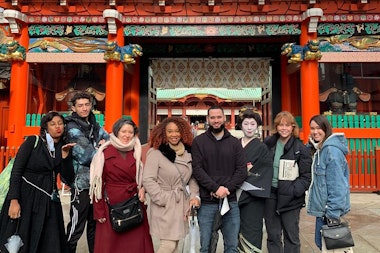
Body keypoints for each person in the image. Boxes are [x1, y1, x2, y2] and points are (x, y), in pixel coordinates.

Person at [0, 111, 75, 253]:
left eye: (60, 124)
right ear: (46, 127)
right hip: (26, 197)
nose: (57, 127)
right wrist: (14, 200)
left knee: (51, 241)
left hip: (49, 199)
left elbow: (67, 178)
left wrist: (65, 158)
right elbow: (17, 171)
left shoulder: (63, 147)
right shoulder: (32, 141)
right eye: (52, 124)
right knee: (23, 240)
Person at [89, 118, 154, 253]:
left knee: (136, 244)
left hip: (134, 202)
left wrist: (143, 188)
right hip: (111, 204)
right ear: (116, 132)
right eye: (123, 131)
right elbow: (97, 185)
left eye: (130, 132)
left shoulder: (137, 151)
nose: (127, 135)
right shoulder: (104, 153)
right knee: (110, 244)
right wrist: (98, 210)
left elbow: (144, 177)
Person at [191, 105, 247, 253]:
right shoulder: (199, 142)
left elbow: (241, 171)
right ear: (208, 119)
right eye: (212, 117)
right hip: (207, 203)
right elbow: (197, 169)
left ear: (224, 119)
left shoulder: (235, 143)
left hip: (230, 201)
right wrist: (215, 188)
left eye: (219, 117)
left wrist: (226, 189)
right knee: (206, 247)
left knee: (231, 246)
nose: (216, 120)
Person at [143, 117, 200, 253]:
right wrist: (163, 199)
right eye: (170, 131)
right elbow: (148, 179)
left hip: (181, 204)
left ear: (183, 132)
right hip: (164, 204)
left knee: (174, 245)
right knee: (168, 245)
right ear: (163, 133)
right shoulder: (156, 153)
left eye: (177, 131)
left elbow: (192, 178)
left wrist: (194, 196)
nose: (174, 135)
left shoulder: (188, 153)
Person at [65, 91, 109, 253]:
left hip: (96, 184)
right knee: (76, 225)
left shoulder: (94, 125)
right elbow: (86, 154)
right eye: (80, 105)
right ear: (74, 108)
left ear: (91, 106)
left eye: (87, 105)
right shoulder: (71, 127)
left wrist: (99, 147)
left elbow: (111, 142)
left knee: (94, 225)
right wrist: (100, 147)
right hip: (81, 184)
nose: (84, 108)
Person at [263, 111, 312, 253]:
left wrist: (293, 191)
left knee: (291, 236)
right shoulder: (269, 144)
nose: (284, 128)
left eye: (287, 125)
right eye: (280, 125)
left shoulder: (300, 148)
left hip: (291, 198)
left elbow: (306, 177)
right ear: (276, 127)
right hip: (271, 195)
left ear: (293, 127)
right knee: (273, 235)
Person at [306, 114, 351, 250]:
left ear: (326, 129)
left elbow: (337, 186)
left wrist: (333, 213)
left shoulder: (331, 151)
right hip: (323, 210)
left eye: (319, 128)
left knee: (327, 245)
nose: (315, 132)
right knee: (323, 244)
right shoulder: (320, 149)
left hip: (329, 211)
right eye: (312, 128)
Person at [236, 106, 273, 253]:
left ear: (257, 126)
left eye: (253, 124)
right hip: (234, 194)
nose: (249, 128)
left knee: (252, 230)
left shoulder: (262, 148)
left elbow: (264, 171)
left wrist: (243, 174)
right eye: (246, 124)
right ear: (240, 125)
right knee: (233, 230)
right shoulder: (235, 144)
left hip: (253, 197)